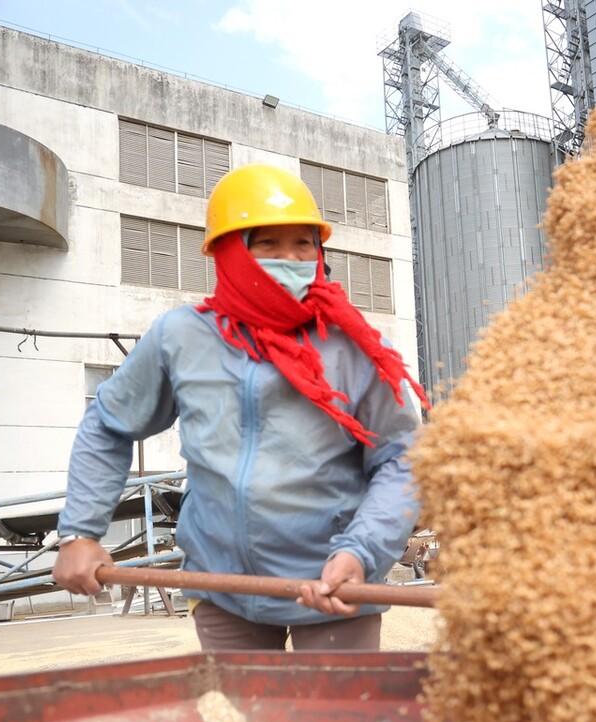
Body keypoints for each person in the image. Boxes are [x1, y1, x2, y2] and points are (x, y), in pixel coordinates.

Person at [52, 163, 428, 651]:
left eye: (302, 244)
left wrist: (361, 551)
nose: (288, 258)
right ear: (229, 253)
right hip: (223, 587)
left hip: (338, 585)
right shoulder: (182, 337)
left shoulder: (356, 347)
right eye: (266, 244)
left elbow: (401, 460)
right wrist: (79, 533)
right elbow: (107, 425)